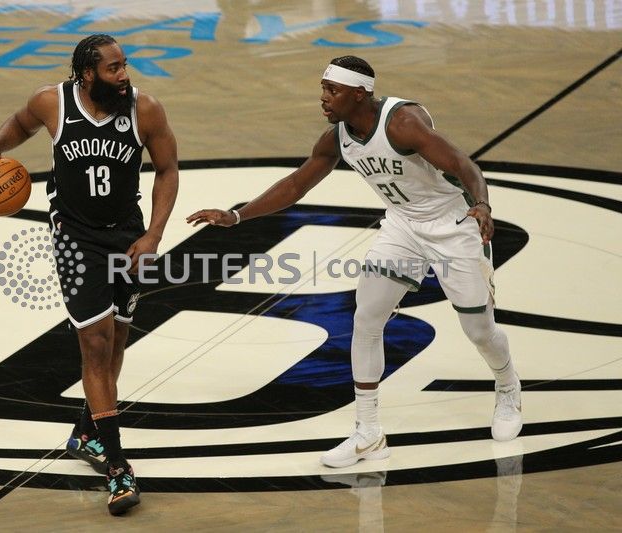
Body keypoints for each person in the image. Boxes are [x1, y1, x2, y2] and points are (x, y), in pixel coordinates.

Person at [186, 56, 521, 468]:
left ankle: (508, 386)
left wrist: (483, 204)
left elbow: (463, 164)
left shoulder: (403, 123)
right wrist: (237, 216)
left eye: (333, 90)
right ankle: (368, 432)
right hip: (403, 227)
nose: (323, 98)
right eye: (323, 88)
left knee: (478, 330)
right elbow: (296, 184)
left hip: (454, 225)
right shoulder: (338, 138)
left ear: (359, 94)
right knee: (366, 318)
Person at [0, 34, 179, 514]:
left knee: (117, 340)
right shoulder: (52, 102)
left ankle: (87, 433)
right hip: (75, 238)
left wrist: (153, 235)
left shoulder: (145, 109)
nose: (123, 75)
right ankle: (117, 465)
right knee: (96, 344)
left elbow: (167, 169)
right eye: (113, 69)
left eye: (124, 65)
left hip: (127, 235)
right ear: (87, 74)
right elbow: (20, 123)